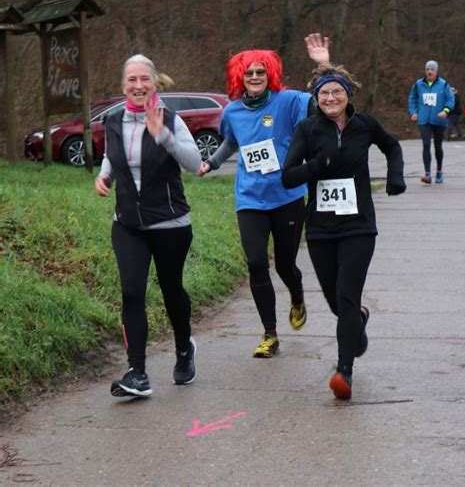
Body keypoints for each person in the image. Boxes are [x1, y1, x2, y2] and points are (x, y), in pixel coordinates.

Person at [282, 38, 406, 400]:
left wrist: (395, 177)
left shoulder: (365, 125)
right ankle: (358, 322)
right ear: (317, 99)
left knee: (346, 296)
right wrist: (315, 167)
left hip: (358, 226)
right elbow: (288, 176)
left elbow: (393, 145)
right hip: (320, 228)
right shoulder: (308, 130)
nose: (331, 98)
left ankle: (344, 372)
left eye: (337, 92)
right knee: (338, 304)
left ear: (348, 95)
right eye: (324, 94)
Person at [197, 36, 330, 358]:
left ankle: (296, 295)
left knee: (285, 265)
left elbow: (322, 102)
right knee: (256, 262)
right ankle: (269, 334)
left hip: (286, 196)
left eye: (260, 72)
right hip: (250, 198)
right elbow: (231, 141)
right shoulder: (232, 111)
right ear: (239, 78)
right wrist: (212, 162)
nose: (254, 78)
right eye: (248, 74)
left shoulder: (288, 102)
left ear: (269, 74)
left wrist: (323, 67)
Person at [95, 54, 201, 397]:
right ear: (122, 85)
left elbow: (193, 162)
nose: (138, 86)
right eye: (132, 80)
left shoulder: (170, 119)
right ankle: (137, 373)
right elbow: (112, 154)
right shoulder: (112, 121)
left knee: (172, 292)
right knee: (131, 292)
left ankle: (184, 348)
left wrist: (163, 136)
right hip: (127, 223)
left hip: (170, 223)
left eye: (144, 79)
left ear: (155, 83)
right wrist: (105, 175)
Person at [408, 60, 454, 184]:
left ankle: (439, 171)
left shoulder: (444, 84)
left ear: (436, 71)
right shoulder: (418, 84)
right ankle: (427, 174)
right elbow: (412, 98)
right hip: (423, 120)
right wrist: (413, 112)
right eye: (428, 69)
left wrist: (445, 110)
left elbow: (450, 99)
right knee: (426, 144)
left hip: (439, 120)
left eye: (432, 69)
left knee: (438, 146)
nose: (429, 71)